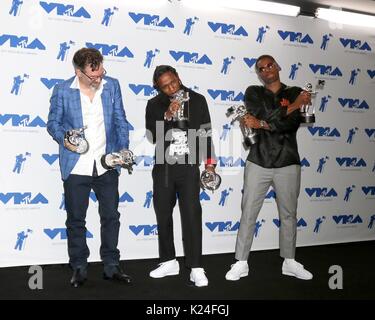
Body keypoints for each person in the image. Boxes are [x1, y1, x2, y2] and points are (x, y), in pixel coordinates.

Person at [47, 48, 132, 287]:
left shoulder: (112, 85)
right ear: (78, 72)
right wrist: (65, 139)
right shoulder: (63, 90)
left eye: (101, 72)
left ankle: (111, 266)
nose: (99, 79)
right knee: (76, 219)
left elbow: (120, 120)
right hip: (76, 166)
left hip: (107, 164)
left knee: (111, 217)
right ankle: (79, 267)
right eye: (93, 76)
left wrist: (123, 149)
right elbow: (52, 123)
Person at [225, 54, 313, 281]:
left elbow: (292, 123)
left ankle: (290, 261)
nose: (266, 70)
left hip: (288, 161)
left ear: (278, 66)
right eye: (261, 68)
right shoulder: (253, 92)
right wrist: (293, 107)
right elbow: (260, 115)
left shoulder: (294, 91)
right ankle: (241, 262)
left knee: (289, 215)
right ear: (258, 73)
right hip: (258, 160)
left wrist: (264, 122)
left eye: (270, 65)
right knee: (249, 214)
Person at [145, 65, 217, 287]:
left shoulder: (197, 99)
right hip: (164, 167)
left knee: (192, 215)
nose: (170, 88)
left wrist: (210, 165)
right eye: (164, 86)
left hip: (188, 167)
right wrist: (167, 115)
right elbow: (151, 135)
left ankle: (196, 266)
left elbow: (206, 134)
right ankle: (168, 261)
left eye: (172, 82)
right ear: (158, 87)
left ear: (178, 77)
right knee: (163, 215)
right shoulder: (154, 104)